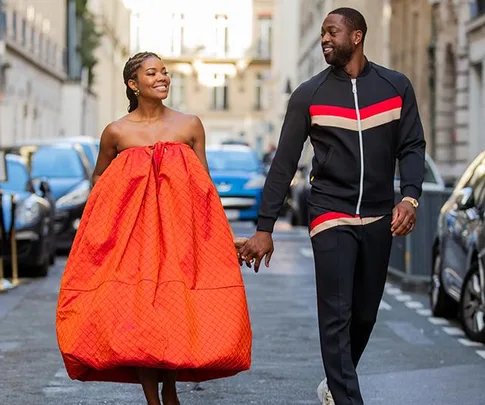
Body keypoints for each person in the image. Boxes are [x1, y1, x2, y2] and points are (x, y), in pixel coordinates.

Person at [238, 7, 425, 405]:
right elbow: (284, 162)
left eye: (331, 32)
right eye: (322, 33)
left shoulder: (396, 87)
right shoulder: (310, 94)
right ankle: (345, 398)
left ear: (356, 37)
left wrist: (410, 196)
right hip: (329, 212)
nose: (324, 39)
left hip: (379, 214)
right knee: (336, 313)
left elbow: (411, 145)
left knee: (365, 315)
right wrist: (264, 227)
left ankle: (337, 381)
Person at [56, 52, 252, 405]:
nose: (162, 77)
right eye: (152, 73)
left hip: (179, 235)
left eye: (164, 72)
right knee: (140, 317)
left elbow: (203, 186)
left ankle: (171, 388)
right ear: (133, 84)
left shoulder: (190, 125)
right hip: (133, 239)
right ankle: (153, 398)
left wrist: (222, 235)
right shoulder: (116, 132)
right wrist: (100, 226)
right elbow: (100, 178)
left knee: (174, 309)